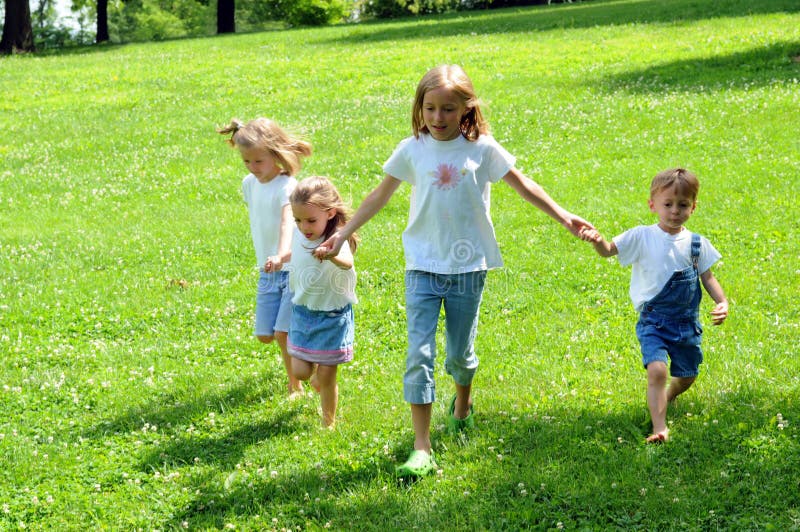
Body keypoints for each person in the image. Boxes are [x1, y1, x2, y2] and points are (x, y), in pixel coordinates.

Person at [317, 65, 593, 477]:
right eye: (430, 108)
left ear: (467, 107)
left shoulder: (481, 148)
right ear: (420, 107)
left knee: (460, 356)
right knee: (418, 354)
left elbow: (523, 184)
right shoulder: (412, 149)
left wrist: (564, 216)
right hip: (422, 265)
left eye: (448, 108)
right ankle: (422, 447)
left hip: (468, 266)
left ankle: (462, 402)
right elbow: (380, 195)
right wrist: (342, 234)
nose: (438, 117)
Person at [579, 168, 729, 443]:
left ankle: (670, 395)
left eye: (683, 205)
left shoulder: (697, 244)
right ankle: (659, 428)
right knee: (657, 370)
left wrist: (722, 302)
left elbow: (708, 276)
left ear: (693, 207)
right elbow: (609, 250)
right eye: (668, 204)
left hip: (686, 324)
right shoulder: (641, 236)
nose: (675, 211)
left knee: (687, 376)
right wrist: (598, 241)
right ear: (652, 205)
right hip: (653, 321)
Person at [218, 118, 312, 398]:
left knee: (283, 333)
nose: (252, 167)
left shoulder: (287, 187)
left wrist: (283, 254)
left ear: (275, 155)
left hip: (292, 268)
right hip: (268, 269)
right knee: (265, 335)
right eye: (246, 161)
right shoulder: (250, 184)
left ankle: (296, 384)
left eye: (258, 161)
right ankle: (307, 352)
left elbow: (288, 223)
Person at [287, 176, 359, 428]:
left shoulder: (336, 238)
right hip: (303, 312)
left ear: (329, 214)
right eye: (297, 220)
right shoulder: (300, 235)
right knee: (300, 372)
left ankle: (328, 423)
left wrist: (332, 255)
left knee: (327, 376)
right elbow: (295, 252)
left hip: (332, 315)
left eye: (310, 220)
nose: (303, 226)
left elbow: (348, 263)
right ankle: (317, 375)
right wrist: (279, 257)